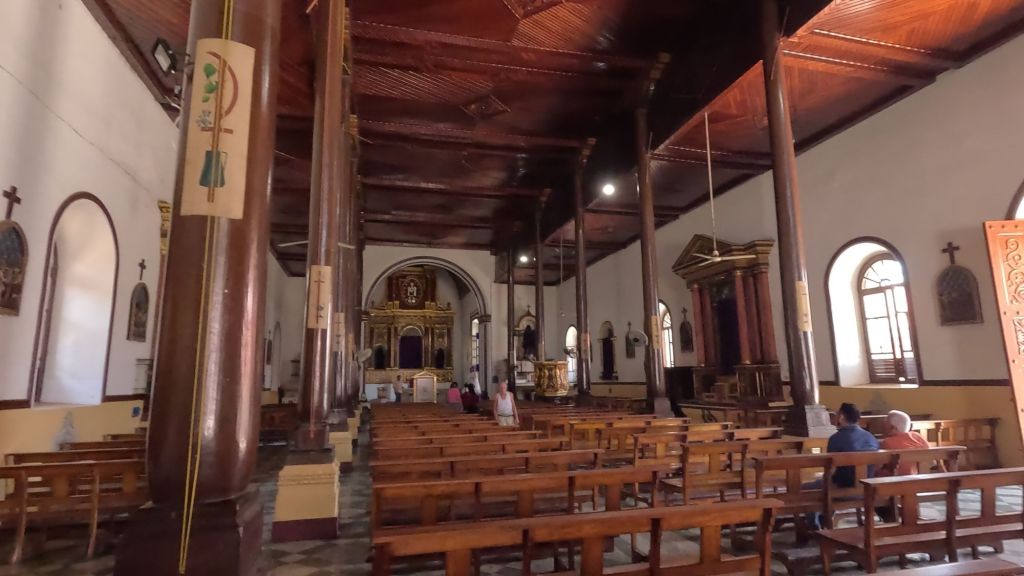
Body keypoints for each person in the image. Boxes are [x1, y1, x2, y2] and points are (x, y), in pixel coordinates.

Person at [804, 403, 879, 530]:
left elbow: (830, 469)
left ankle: (813, 526)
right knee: (828, 482)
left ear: (842, 417)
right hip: (868, 488)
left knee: (806, 488)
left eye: (837, 414)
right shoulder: (870, 437)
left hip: (843, 489)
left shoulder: (836, 438)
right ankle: (824, 518)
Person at [879, 410, 930, 476]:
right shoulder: (917, 436)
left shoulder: (887, 442)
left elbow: (879, 466)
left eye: (885, 423)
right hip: (923, 477)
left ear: (892, 427)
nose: (883, 426)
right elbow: (931, 462)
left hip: (899, 479)